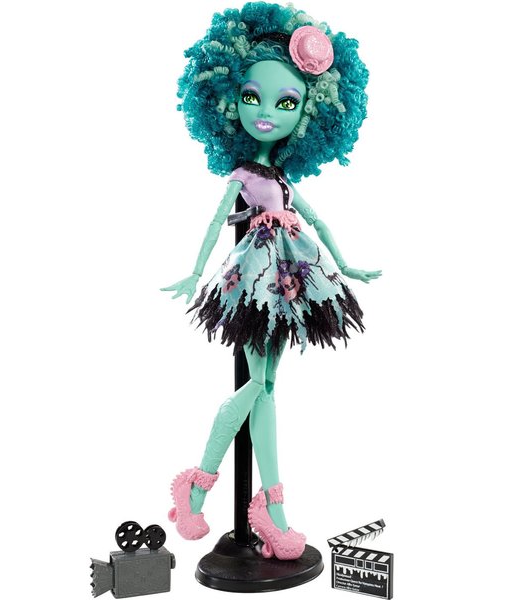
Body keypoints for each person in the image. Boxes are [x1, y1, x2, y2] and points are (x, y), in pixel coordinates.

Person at [161, 2, 381, 560]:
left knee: (268, 386)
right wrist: (195, 271)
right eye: (251, 97)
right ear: (225, 101)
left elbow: (318, 221)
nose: (265, 113)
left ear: (308, 114)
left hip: (292, 277)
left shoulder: (280, 177)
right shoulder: (243, 174)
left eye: (286, 103)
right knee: (256, 384)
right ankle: (202, 485)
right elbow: (217, 221)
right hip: (256, 279)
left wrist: (347, 264)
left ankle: (269, 508)